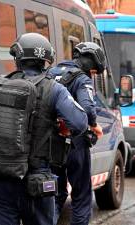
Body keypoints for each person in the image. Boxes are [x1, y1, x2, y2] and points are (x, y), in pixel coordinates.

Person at [0, 33, 88, 225]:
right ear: (45, 61)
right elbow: (80, 123)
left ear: (17, 58)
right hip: (36, 181)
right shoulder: (54, 89)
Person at [48, 42, 105, 225]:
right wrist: (95, 125)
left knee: (54, 193)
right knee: (81, 194)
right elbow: (88, 109)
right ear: (90, 63)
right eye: (94, 71)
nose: (93, 75)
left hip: (48, 144)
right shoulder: (81, 79)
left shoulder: (51, 72)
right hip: (74, 144)